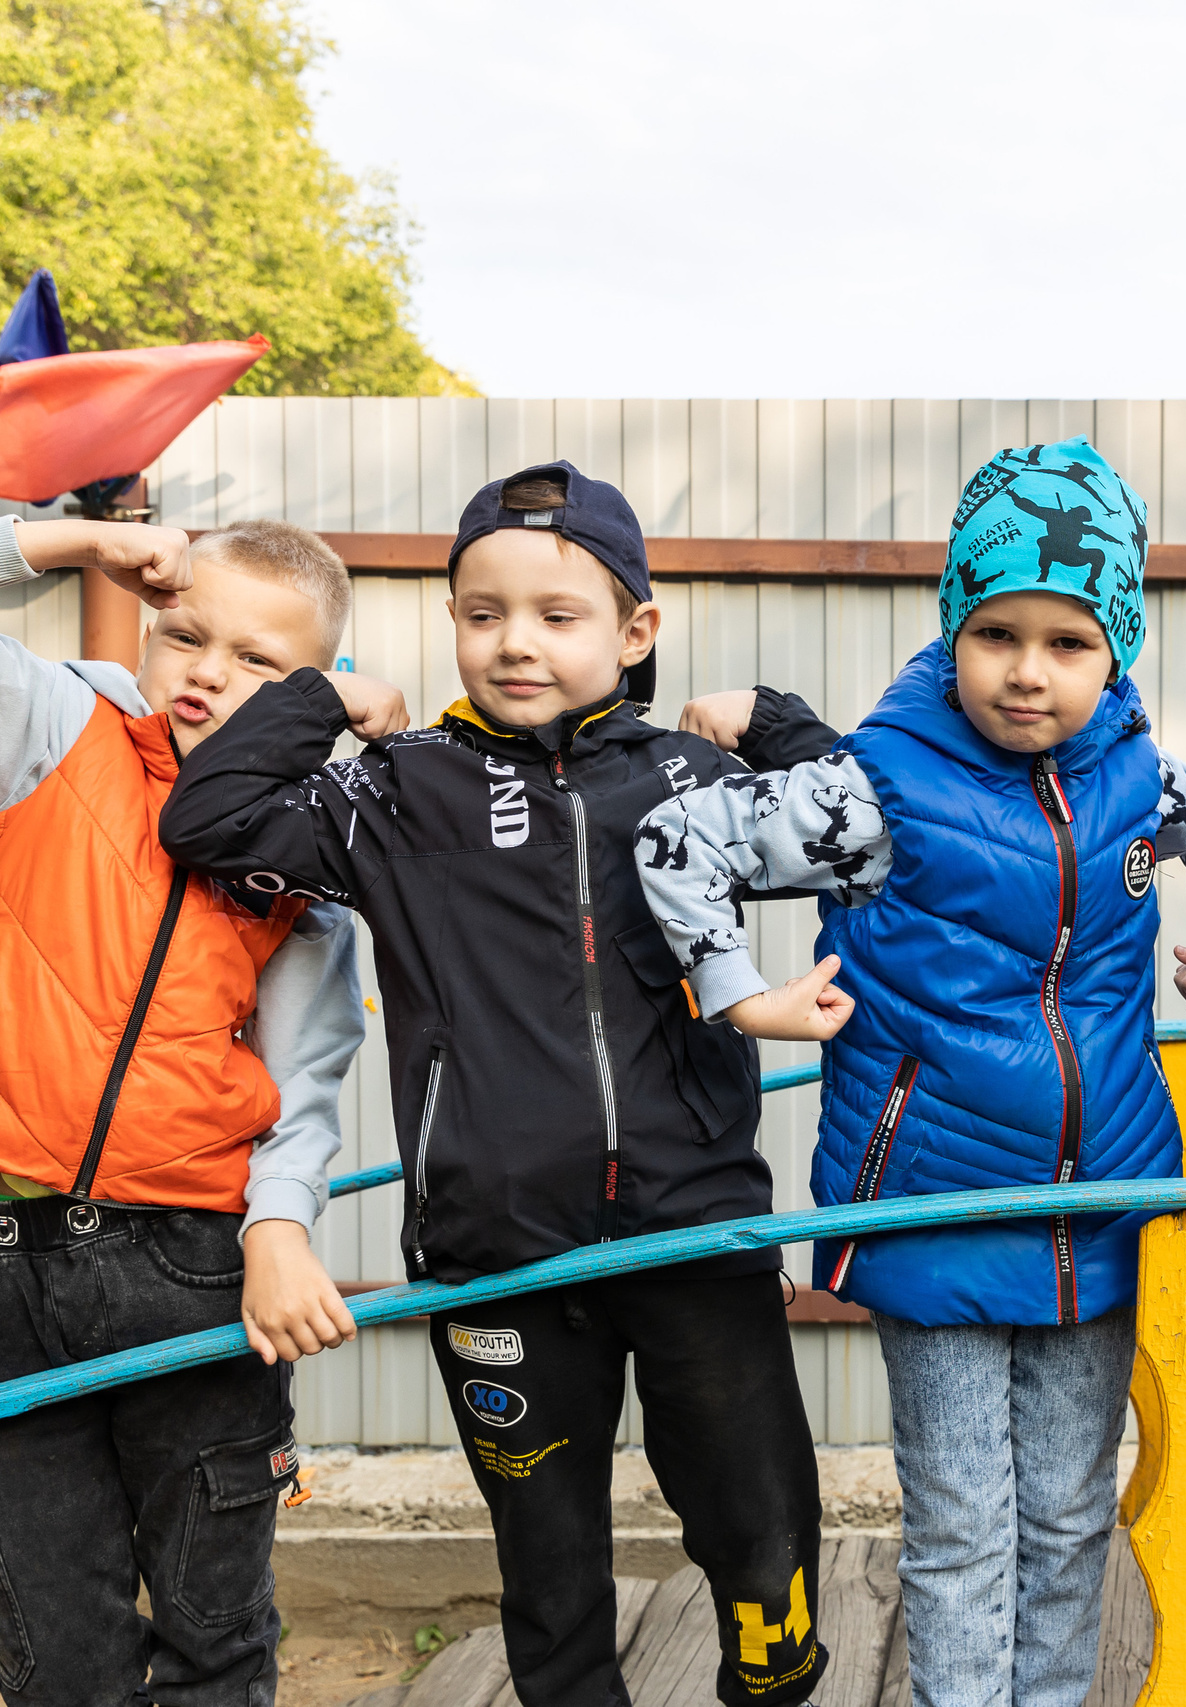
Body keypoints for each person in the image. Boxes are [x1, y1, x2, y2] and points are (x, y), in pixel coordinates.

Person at [158, 463, 832, 1707]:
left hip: (696, 1235)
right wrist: (323, 695)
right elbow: (212, 816)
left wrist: (776, 723)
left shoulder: (688, 784)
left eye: (558, 616)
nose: (515, 643)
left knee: (761, 1533)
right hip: (492, 1249)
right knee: (548, 1563)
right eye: (481, 614)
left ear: (636, 633)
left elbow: (875, 834)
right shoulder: (397, 790)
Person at [637, 437, 1186, 1707]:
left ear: (1119, 646)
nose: (1029, 672)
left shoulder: (1142, 779)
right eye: (997, 634)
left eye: (1069, 642)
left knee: (1072, 1514)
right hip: (937, 1204)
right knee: (968, 1524)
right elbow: (674, 841)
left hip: (1099, 1204)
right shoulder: (874, 791)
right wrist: (743, 997)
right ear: (953, 630)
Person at [0, 514, 374, 1707]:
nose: (208, 672)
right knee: (60, 1659)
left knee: (215, 1636)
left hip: (188, 1267)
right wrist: (68, 542)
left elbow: (306, 1083)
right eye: (185, 636)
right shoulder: (50, 730)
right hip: (0, 1268)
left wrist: (279, 1226)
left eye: (261, 661)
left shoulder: (308, 843)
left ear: (314, 688)